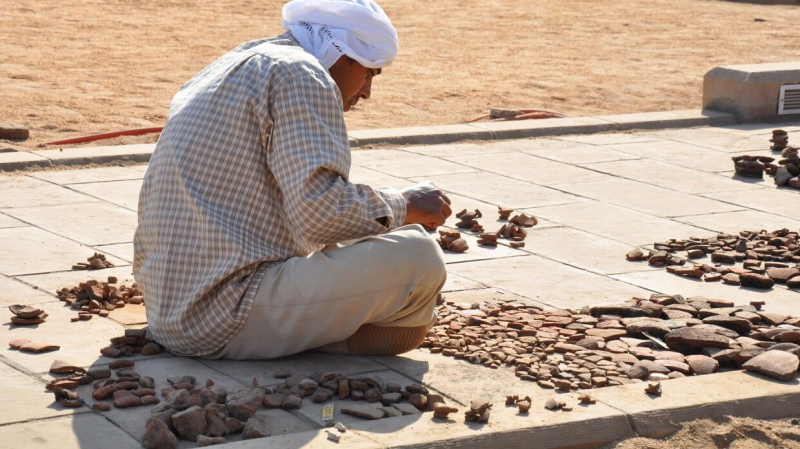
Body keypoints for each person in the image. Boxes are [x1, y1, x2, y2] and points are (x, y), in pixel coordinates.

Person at [133, 0, 451, 360]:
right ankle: (327, 339)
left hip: (168, 306)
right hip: (220, 315)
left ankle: (310, 329)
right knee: (420, 257)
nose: (367, 92)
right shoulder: (304, 75)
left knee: (378, 229)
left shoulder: (244, 58)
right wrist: (405, 204)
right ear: (342, 54)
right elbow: (320, 215)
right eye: (370, 72)